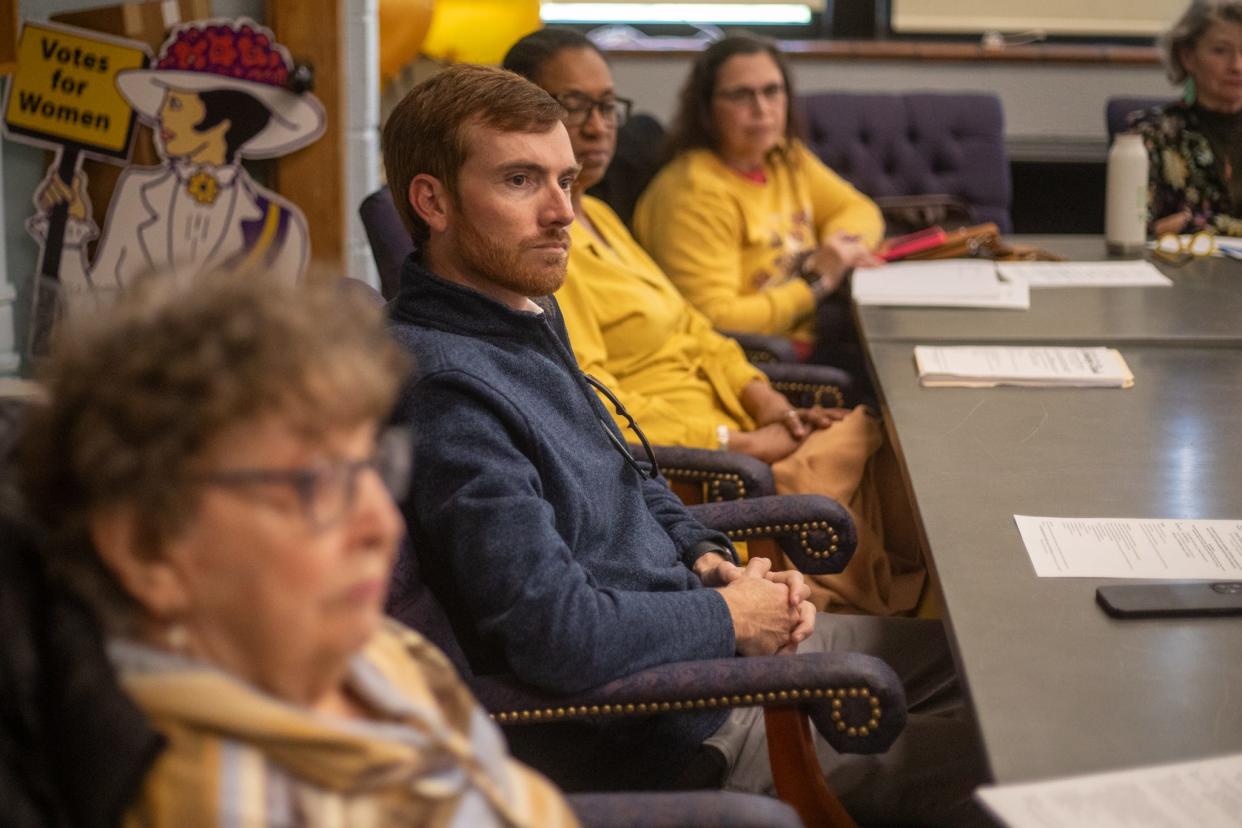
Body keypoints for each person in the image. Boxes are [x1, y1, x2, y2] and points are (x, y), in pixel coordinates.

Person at [384, 62, 987, 826]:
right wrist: (733, 620)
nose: (563, 212)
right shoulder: (447, 388)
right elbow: (554, 633)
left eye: (566, 181)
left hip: (695, 634)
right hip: (673, 722)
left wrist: (712, 560)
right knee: (1031, 755)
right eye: (520, 181)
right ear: (432, 201)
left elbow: (630, 472)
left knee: (991, 661)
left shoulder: (518, 309)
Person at [15, 274, 577, 827]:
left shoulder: (371, 651)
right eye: (316, 482)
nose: (381, 524)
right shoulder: (235, 802)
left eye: (371, 466)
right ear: (148, 549)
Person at [501, 28, 923, 616]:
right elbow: (589, 406)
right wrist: (738, 441)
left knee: (905, 452)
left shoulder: (596, 215)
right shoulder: (540, 251)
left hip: (743, 427)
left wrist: (769, 402)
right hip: (700, 470)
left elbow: (696, 331)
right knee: (907, 479)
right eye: (573, 107)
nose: (598, 126)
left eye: (606, 106)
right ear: (519, 113)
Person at [29, 18, 324, 303]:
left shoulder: (281, 228)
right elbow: (95, 317)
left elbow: (281, 341)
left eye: (176, 104)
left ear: (223, 120)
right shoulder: (138, 192)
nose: (162, 116)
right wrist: (68, 234)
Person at [632, 34, 883, 356]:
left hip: (823, 326)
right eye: (741, 95)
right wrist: (817, 280)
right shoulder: (691, 193)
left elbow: (859, 209)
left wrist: (839, 248)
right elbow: (714, 319)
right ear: (706, 108)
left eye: (772, 91)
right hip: (766, 360)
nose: (762, 109)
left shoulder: (783, 155)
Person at [1132, 1, 1242, 236]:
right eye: (1220, 51)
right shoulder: (1153, 132)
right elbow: (1138, 230)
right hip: (1182, 268)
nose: (1237, 66)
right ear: (1188, 56)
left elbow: (1179, 226)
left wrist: (1197, 223)